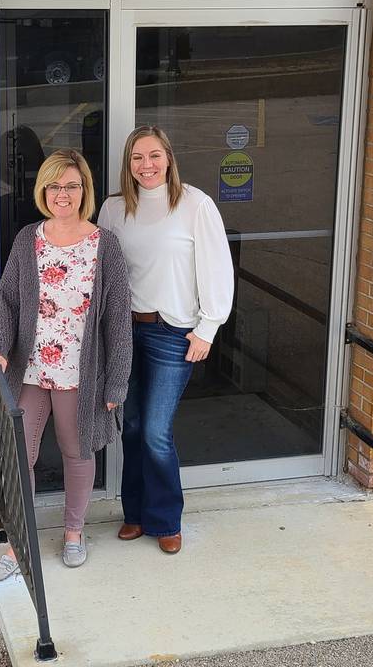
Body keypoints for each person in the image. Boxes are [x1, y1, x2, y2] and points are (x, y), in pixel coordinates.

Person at [0, 148, 132, 579]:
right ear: (42, 189)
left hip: (78, 375)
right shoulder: (28, 238)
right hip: (29, 371)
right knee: (17, 455)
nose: (61, 194)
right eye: (53, 185)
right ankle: (20, 543)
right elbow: (9, 303)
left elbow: (118, 320)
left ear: (84, 189)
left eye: (71, 185)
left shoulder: (104, 246)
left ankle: (73, 532)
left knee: (76, 452)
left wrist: (116, 383)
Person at [98, 125, 233, 554]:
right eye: (138, 158)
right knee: (132, 426)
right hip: (125, 331)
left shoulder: (195, 205)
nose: (147, 165)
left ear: (169, 158)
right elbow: (101, 274)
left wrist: (208, 328)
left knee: (156, 429)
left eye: (154, 156)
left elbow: (217, 269)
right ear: (128, 164)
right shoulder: (114, 209)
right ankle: (135, 514)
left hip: (174, 332)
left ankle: (166, 519)